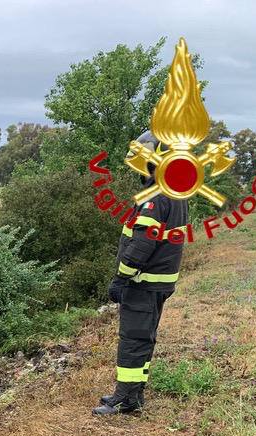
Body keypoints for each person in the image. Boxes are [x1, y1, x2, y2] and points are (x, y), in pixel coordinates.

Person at [94, 131, 188, 416]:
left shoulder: (155, 197)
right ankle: (134, 394)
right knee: (144, 338)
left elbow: (142, 244)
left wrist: (121, 278)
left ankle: (125, 399)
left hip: (142, 282)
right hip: (158, 282)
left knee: (133, 339)